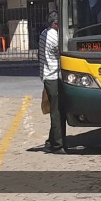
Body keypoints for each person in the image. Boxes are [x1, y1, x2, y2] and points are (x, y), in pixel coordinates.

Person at [38, 10, 65, 154]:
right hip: (53, 76)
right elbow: (62, 53)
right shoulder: (53, 37)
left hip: (47, 75)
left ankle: (50, 142)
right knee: (56, 112)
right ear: (55, 24)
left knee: (56, 109)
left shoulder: (44, 33)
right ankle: (58, 145)